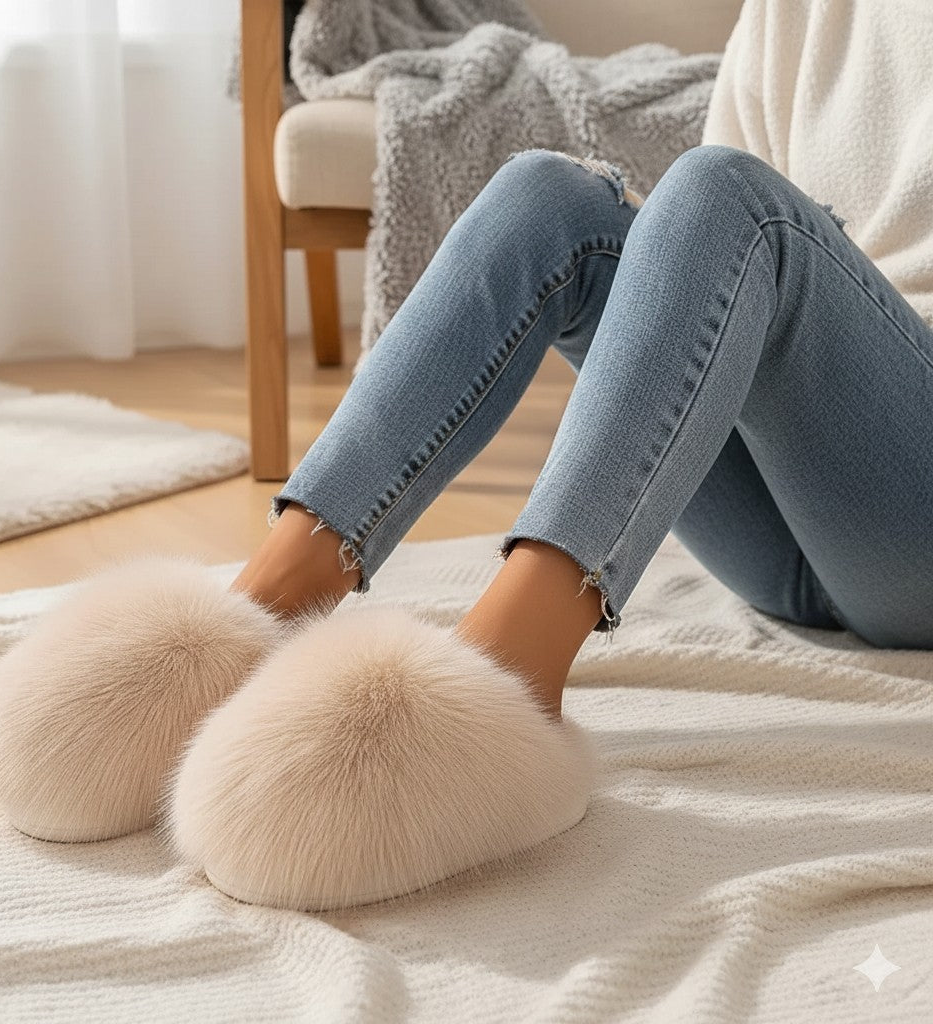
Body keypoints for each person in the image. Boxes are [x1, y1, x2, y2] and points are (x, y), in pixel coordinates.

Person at [230, 0, 933, 722]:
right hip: (795, 532)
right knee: (548, 196)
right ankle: (252, 625)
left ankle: (501, 685)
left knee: (726, 190)